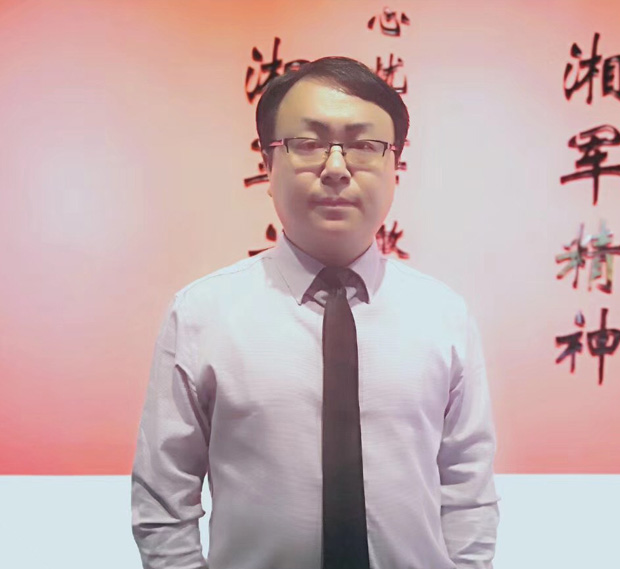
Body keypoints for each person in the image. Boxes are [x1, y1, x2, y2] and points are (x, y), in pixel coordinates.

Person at [131, 56, 500, 569]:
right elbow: (163, 501)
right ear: (268, 163)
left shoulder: (443, 316)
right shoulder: (201, 315)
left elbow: (467, 490)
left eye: (364, 145)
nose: (335, 168)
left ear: (395, 166)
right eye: (307, 143)